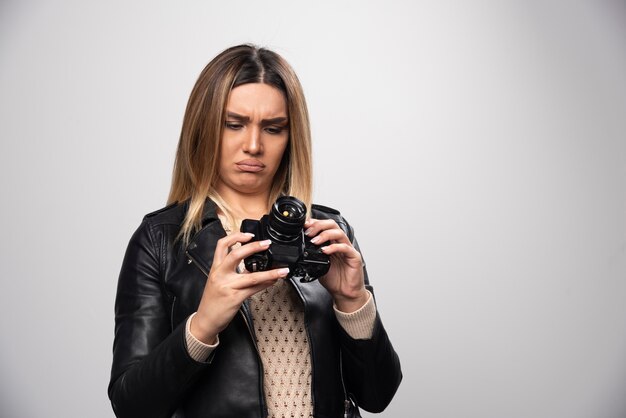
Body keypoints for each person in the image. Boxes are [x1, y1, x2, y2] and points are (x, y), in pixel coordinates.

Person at [108, 44, 402, 418]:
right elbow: (132, 407)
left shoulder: (327, 232)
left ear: (291, 137)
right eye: (234, 124)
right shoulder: (161, 241)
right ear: (204, 127)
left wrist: (353, 301)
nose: (253, 145)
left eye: (273, 128)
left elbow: (377, 396)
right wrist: (203, 324)